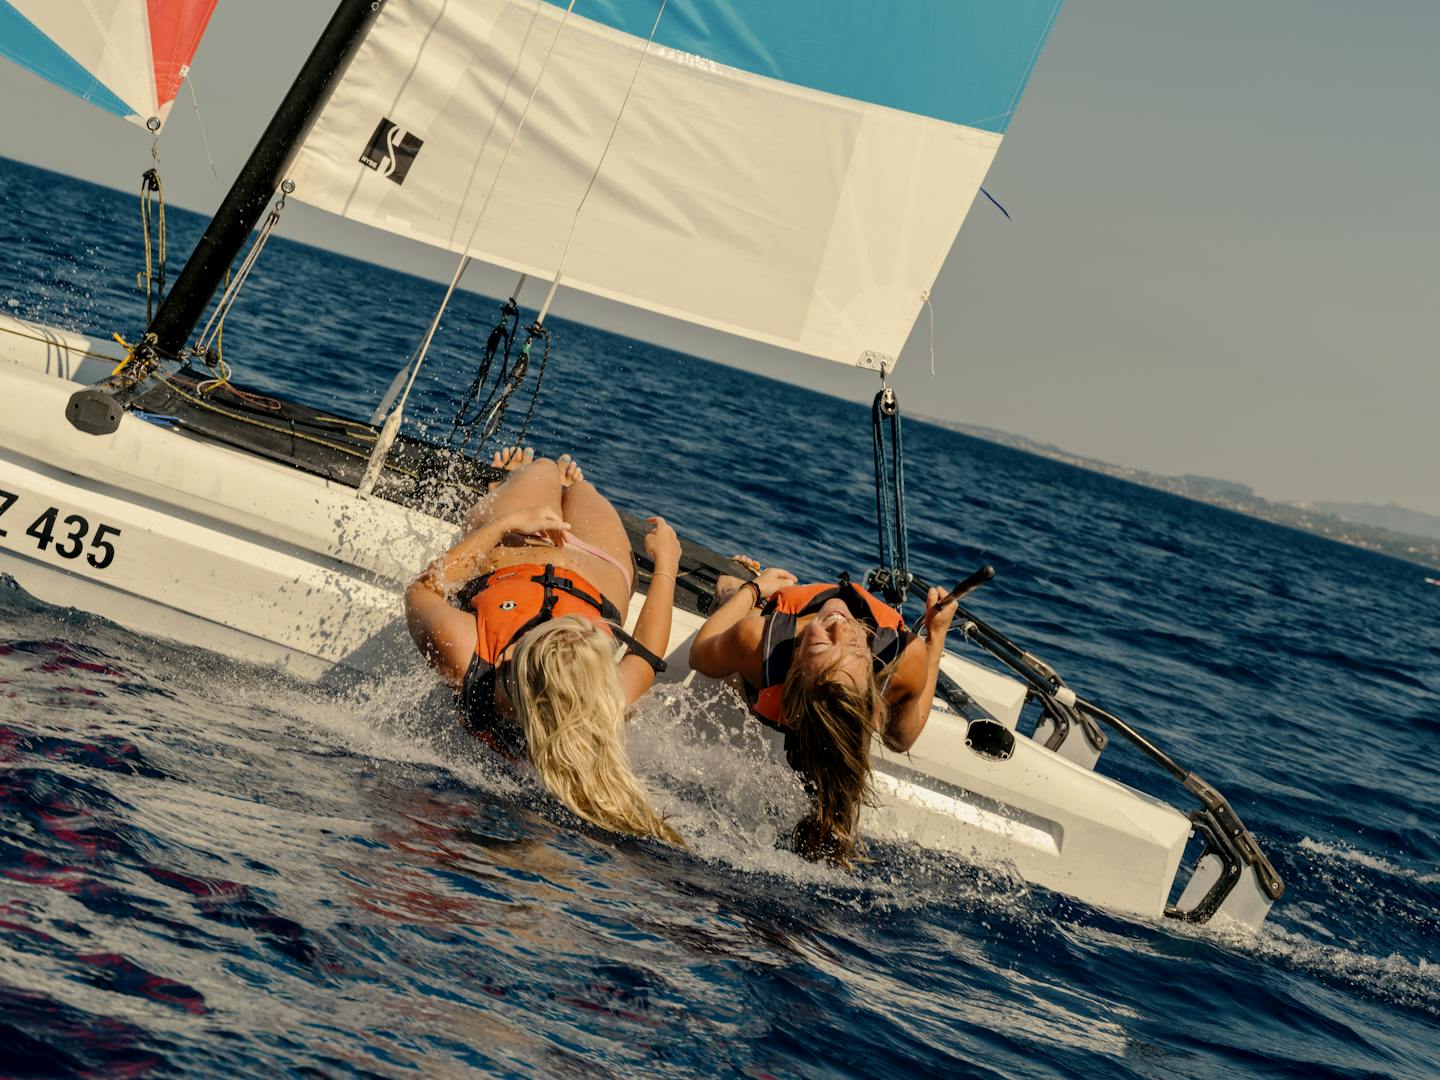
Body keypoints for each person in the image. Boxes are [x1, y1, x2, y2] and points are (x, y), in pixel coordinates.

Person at [405, 449, 682, 846]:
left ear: (517, 661)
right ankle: (561, 486)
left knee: (544, 468)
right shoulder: (604, 702)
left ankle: (513, 482)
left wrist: (504, 525)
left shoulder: (468, 656)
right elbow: (647, 656)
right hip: (598, 562)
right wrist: (667, 563)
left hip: (517, 545)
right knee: (582, 489)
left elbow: (422, 589)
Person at [688, 568, 957, 866]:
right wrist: (936, 637)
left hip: (775, 695)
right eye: (854, 647)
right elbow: (902, 738)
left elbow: (699, 652)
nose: (839, 626)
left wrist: (752, 589)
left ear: (796, 658)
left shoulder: (755, 638)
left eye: (823, 644)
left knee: (730, 590)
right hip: (815, 701)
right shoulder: (906, 657)